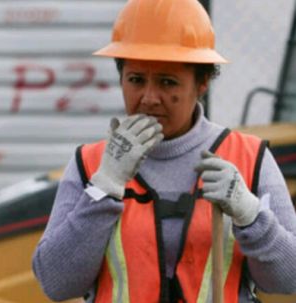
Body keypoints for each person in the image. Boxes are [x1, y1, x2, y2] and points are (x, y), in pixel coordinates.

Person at [32, 0, 296, 302]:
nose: (149, 97)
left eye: (167, 82)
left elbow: (288, 279)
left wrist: (251, 216)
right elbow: (56, 283)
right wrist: (104, 188)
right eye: (136, 80)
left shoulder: (250, 159)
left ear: (202, 83)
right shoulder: (90, 164)